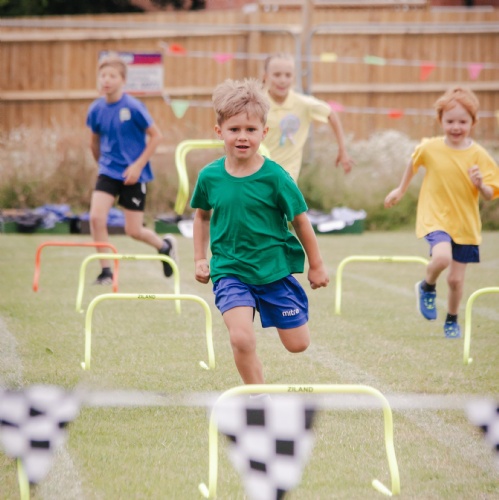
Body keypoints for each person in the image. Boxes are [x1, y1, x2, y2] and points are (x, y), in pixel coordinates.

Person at [191, 78, 329, 384]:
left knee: (298, 344)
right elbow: (201, 217)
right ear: (219, 131)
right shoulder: (209, 177)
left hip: (273, 270)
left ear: (264, 132)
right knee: (241, 338)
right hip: (230, 270)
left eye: (250, 130)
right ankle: (258, 397)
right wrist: (200, 258)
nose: (242, 136)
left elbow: (301, 221)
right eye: (234, 129)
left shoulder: (276, 177)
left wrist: (316, 264)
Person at [384, 86, 499, 338]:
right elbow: (413, 162)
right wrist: (400, 190)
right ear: (440, 121)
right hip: (435, 217)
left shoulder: (479, 155)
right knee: (442, 258)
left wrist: (481, 184)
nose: (456, 127)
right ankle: (427, 286)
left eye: (462, 122)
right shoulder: (430, 148)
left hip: (465, 224)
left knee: (456, 281)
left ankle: (452, 320)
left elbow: (491, 193)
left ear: (473, 122)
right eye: (450, 121)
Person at [86, 53, 176, 284]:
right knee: (96, 218)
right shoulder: (96, 109)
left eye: (112, 76)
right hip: (108, 172)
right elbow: (93, 142)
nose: (106, 80)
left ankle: (164, 246)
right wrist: (102, 165)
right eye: (103, 75)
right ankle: (106, 272)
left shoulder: (134, 107)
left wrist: (137, 166)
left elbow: (156, 136)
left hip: (135, 175)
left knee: (133, 231)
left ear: (123, 80)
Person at [262, 52, 353, 182]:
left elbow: (331, 114)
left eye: (288, 75)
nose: (283, 80)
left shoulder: (303, 104)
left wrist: (342, 150)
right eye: (277, 75)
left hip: (288, 175)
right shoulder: (257, 104)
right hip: (260, 171)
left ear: (294, 77)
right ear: (265, 76)